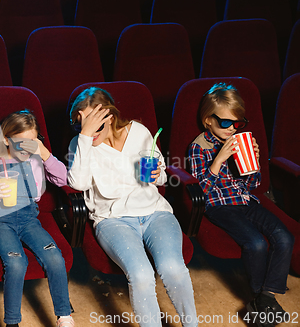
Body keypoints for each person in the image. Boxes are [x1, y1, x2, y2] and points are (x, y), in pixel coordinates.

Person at [67, 87, 198, 327]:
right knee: (141, 275)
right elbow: (77, 183)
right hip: (112, 220)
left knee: (173, 269)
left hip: (155, 213)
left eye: (94, 124)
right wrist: (84, 137)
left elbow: (160, 179)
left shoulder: (139, 132)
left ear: (110, 117)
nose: (88, 131)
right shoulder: (80, 143)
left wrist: (157, 173)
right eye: (80, 125)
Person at [188, 83, 294, 327]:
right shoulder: (198, 147)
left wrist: (252, 161)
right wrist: (219, 159)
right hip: (219, 205)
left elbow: (253, 185)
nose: (232, 129)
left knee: (284, 238)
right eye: (225, 123)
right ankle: (260, 295)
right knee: (255, 243)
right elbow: (201, 192)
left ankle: (265, 297)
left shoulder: (240, 141)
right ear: (208, 121)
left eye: (237, 123)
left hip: (246, 201)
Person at [0, 110, 74, 327]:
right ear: (6, 139)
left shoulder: (35, 161)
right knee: (16, 262)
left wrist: (44, 154)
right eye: (21, 142)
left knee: (54, 256)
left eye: (32, 141)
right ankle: (12, 322)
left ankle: (64, 315)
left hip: (27, 219)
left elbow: (64, 179)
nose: (27, 147)